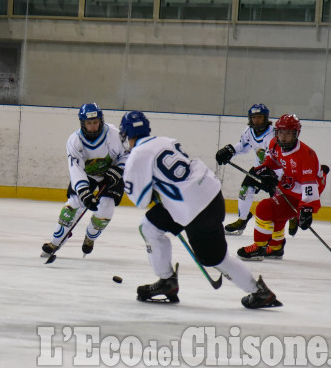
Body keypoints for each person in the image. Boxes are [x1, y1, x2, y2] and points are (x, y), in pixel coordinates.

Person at [119, 110, 282, 309]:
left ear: (126, 135)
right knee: (149, 226)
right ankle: (166, 281)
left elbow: (141, 200)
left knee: (216, 259)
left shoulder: (136, 155)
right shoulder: (165, 141)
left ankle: (259, 292)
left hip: (194, 209)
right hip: (210, 194)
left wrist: (150, 188)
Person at [237, 114, 328, 260]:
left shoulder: (305, 156)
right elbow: (273, 160)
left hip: (303, 190)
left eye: (288, 134)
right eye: (280, 133)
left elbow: (309, 186)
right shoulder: (274, 143)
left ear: (296, 134)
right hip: (290, 182)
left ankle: (259, 248)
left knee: (265, 208)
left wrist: (306, 209)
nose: (283, 137)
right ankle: (275, 247)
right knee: (278, 215)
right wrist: (265, 170)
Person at [41, 103, 128, 257]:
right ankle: (55, 241)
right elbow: (76, 169)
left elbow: (128, 155)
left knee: (106, 209)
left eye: (95, 122)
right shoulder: (74, 141)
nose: (93, 127)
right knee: (73, 205)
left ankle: (90, 237)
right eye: (89, 123)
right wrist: (84, 193)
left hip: (112, 174)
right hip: (88, 174)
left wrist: (119, 168)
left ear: (101, 120)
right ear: (82, 123)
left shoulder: (114, 134)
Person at [215, 104, 281, 235]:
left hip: (277, 172)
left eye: (260, 117)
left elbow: (274, 155)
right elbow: (243, 146)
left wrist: (273, 175)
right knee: (245, 189)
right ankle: (242, 220)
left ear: (266, 118)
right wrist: (230, 150)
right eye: (254, 117)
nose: (256, 120)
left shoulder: (274, 134)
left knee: (278, 199)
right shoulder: (248, 131)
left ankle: (285, 222)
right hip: (259, 169)